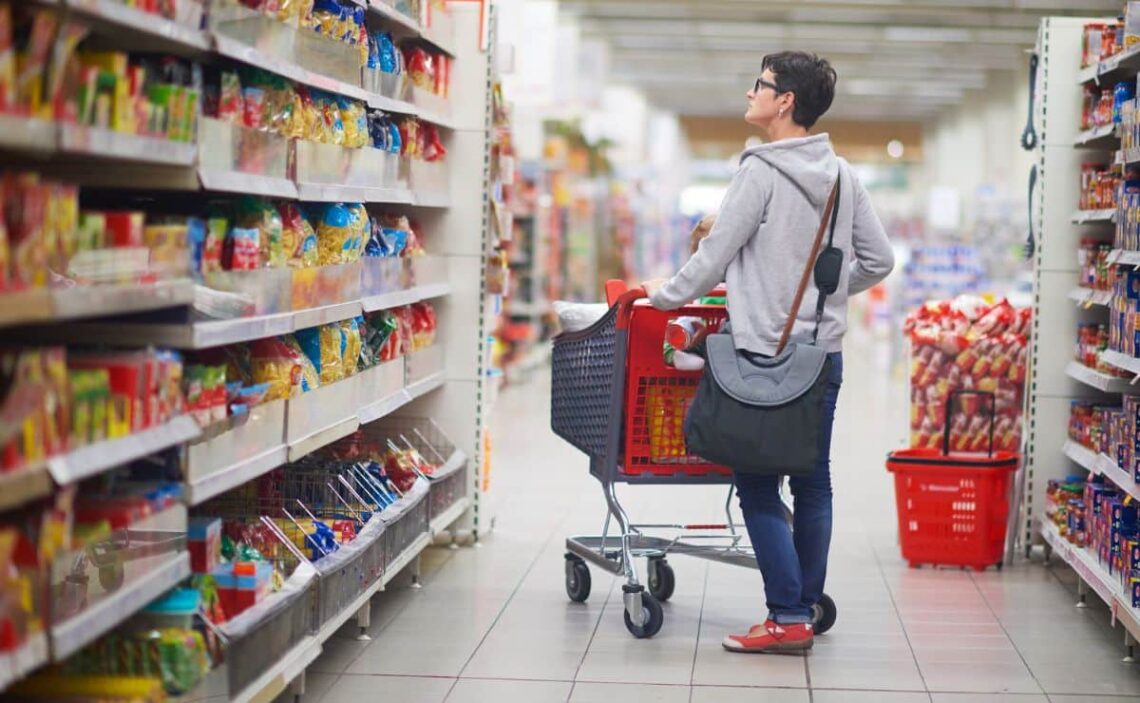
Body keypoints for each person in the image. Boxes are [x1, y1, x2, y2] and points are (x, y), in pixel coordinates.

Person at [642, 51, 895, 654]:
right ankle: (803, 605)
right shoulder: (841, 175)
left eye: (761, 84)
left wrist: (664, 296)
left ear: (784, 102)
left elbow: (714, 258)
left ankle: (786, 618)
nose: (751, 92)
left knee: (757, 487)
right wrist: (823, 296)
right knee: (813, 483)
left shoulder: (759, 171)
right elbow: (880, 260)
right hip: (820, 356)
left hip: (761, 354)